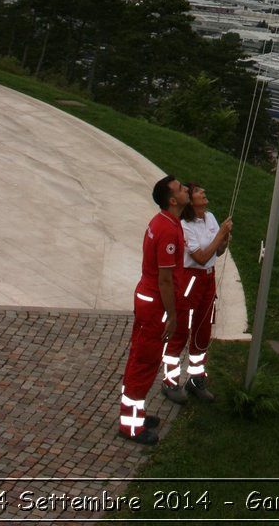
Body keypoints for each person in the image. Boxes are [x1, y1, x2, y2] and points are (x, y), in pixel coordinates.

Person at [118, 174, 190, 445]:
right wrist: (172, 316)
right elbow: (165, 279)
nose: (186, 190)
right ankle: (131, 426)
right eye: (181, 188)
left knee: (139, 357)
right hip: (156, 305)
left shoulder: (163, 221)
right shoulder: (169, 230)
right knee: (145, 363)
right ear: (173, 200)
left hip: (147, 298)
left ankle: (136, 412)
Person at [161, 183, 232, 403]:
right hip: (191, 279)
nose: (204, 193)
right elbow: (200, 257)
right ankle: (170, 381)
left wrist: (224, 239)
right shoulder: (184, 225)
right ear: (191, 201)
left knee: (203, 330)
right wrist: (220, 234)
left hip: (208, 278)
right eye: (199, 191)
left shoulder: (209, 218)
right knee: (182, 329)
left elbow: (216, 252)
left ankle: (196, 378)